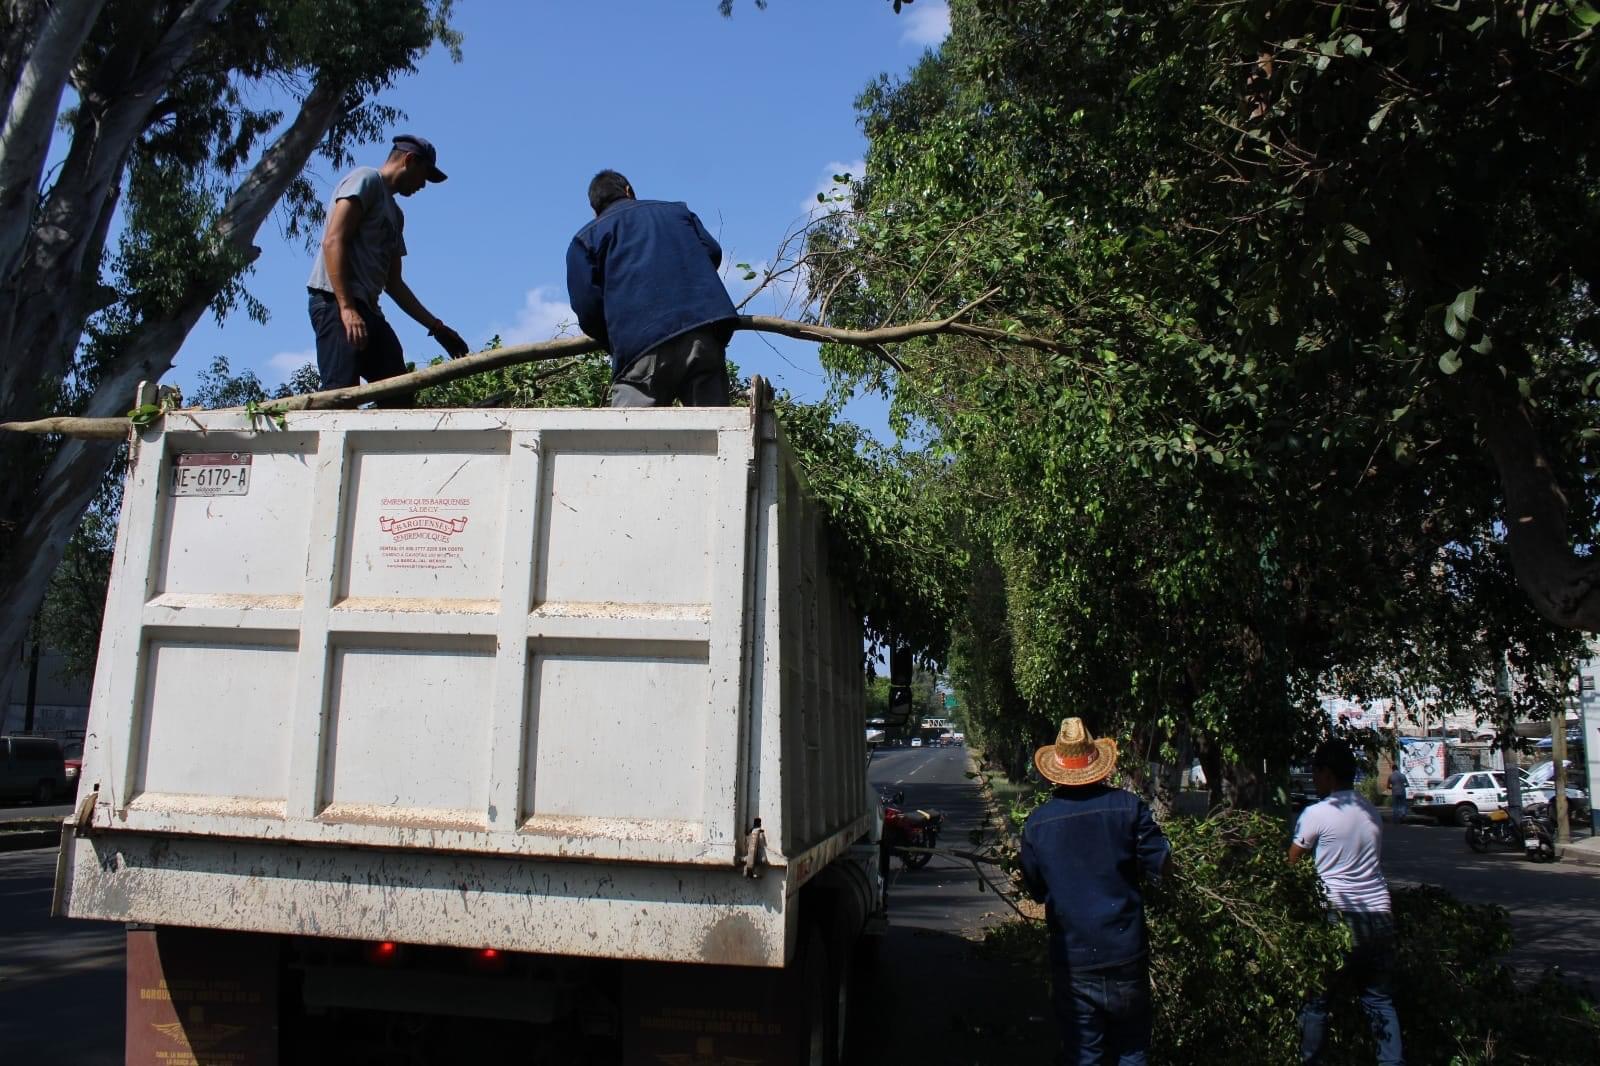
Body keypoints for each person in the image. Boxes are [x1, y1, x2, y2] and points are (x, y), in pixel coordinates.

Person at [1021, 718, 1170, 1066]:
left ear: (1056, 771)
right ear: (1098, 767)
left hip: (1073, 959)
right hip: (1125, 952)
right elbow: (1160, 864)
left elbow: (1037, 888)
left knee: (1085, 1056)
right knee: (1132, 1051)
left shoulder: (1037, 824)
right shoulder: (1128, 808)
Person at [307, 134, 469, 402]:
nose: (423, 186)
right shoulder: (366, 179)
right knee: (341, 395)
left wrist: (437, 327)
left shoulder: (396, 215)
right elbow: (333, 240)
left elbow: (394, 284)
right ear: (409, 160)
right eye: (424, 176)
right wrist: (346, 309)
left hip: (368, 311)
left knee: (399, 392)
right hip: (335, 303)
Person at [565, 170, 738, 407]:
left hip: (639, 348)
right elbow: (712, 253)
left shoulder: (587, 239)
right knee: (714, 434)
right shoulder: (677, 212)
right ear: (629, 191)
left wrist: (617, 340)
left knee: (632, 440)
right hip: (703, 333)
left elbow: (587, 307)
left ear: (595, 210)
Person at [1290, 739, 1404, 1066]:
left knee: (1317, 1002)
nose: (1312, 777)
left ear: (1327, 773)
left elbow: (1292, 862)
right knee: (1380, 1001)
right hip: (1380, 916)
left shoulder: (1316, 813)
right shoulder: (1370, 810)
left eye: (1315, 771)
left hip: (1337, 916)